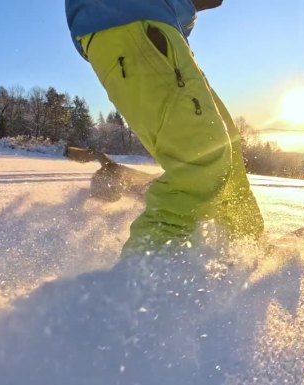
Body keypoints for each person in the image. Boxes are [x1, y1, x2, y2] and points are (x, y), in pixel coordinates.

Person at [66, 0, 265, 256]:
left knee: (225, 148)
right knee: (201, 164)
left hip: (153, 31)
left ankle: (247, 246)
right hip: (133, 24)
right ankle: (140, 278)